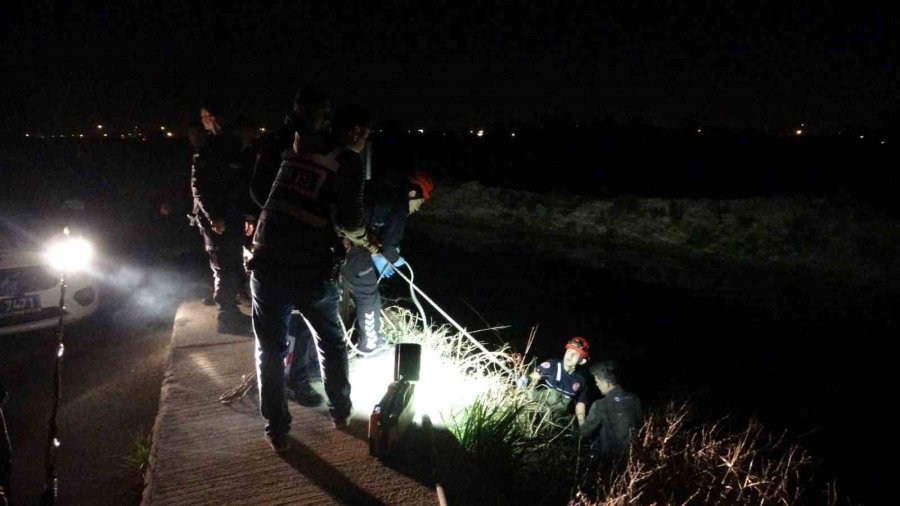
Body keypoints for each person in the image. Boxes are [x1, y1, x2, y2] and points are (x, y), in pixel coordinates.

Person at [249, 103, 373, 452]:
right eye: (365, 134)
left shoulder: (294, 148)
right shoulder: (347, 161)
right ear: (355, 133)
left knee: (270, 350)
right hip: (308, 267)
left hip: (265, 260)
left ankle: (276, 430)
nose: (366, 140)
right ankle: (341, 412)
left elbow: (263, 195)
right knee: (331, 341)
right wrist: (364, 237)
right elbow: (351, 221)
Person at [250, 87, 333, 407]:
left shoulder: (322, 143)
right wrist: (290, 211)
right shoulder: (276, 142)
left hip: (306, 246)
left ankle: (296, 377)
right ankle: (292, 381)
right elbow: (259, 190)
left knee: (299, 321)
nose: (326, 117)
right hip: (280, 243)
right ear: (302, 109)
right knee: (285, 324)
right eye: (321, 110)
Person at [340, 170, 434, 354]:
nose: (418, 208)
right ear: (412, 193)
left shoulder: (381, 191)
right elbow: (391, 248)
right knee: (368, 295)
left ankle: (365, 340)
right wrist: (395, 260)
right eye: (420, 201)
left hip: (335, 241)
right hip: (347, 245)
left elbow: (367, 224)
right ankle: (370, 345)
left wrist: (377, 254)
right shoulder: (399, 204)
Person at [191, 102, 248, 333]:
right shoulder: (205, 147)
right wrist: (213, 215)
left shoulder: (230, 144)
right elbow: (199, 186)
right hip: (217, 216)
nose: (211, 121)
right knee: (223, 263)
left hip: (233, 214)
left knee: (233, 260)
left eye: (214, 116)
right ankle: (226, 314)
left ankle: (230, 308)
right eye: (206, 116)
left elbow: (239, 182)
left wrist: (246, 214)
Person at [579, 360, 642, 476]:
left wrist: (580, 418)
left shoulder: (600, 405)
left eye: (597, 381)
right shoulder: (635, 400)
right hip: (634, 461)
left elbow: (583, 432)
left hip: (611, 464)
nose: (597, 385)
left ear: (606, 383)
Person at [526, 336, 592, 424]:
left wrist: (583, 426)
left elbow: (580, 404)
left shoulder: (580, 381)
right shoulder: (551, 365)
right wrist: (525, 381)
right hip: (534, 414)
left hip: (554, 422)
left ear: (582, 361)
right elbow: (533, 377)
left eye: (575, 354)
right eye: (569, 351)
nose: (570, 355)